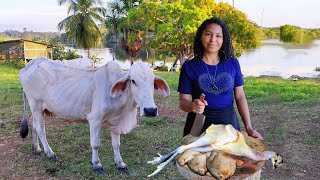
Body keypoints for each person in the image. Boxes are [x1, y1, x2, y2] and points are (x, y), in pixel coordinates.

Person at [177, 17, 263, 139]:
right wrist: (192, 106)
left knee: (230, 157)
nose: (213, 39)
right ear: (201, 36)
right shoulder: (189, 66)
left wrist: (249, 127)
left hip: (228, 122)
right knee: (196, 157)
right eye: (208, 34)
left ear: (224, 40)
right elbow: (182, 102)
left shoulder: (232, 63)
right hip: (198, 123)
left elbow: (240, 96)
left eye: (218, 36)